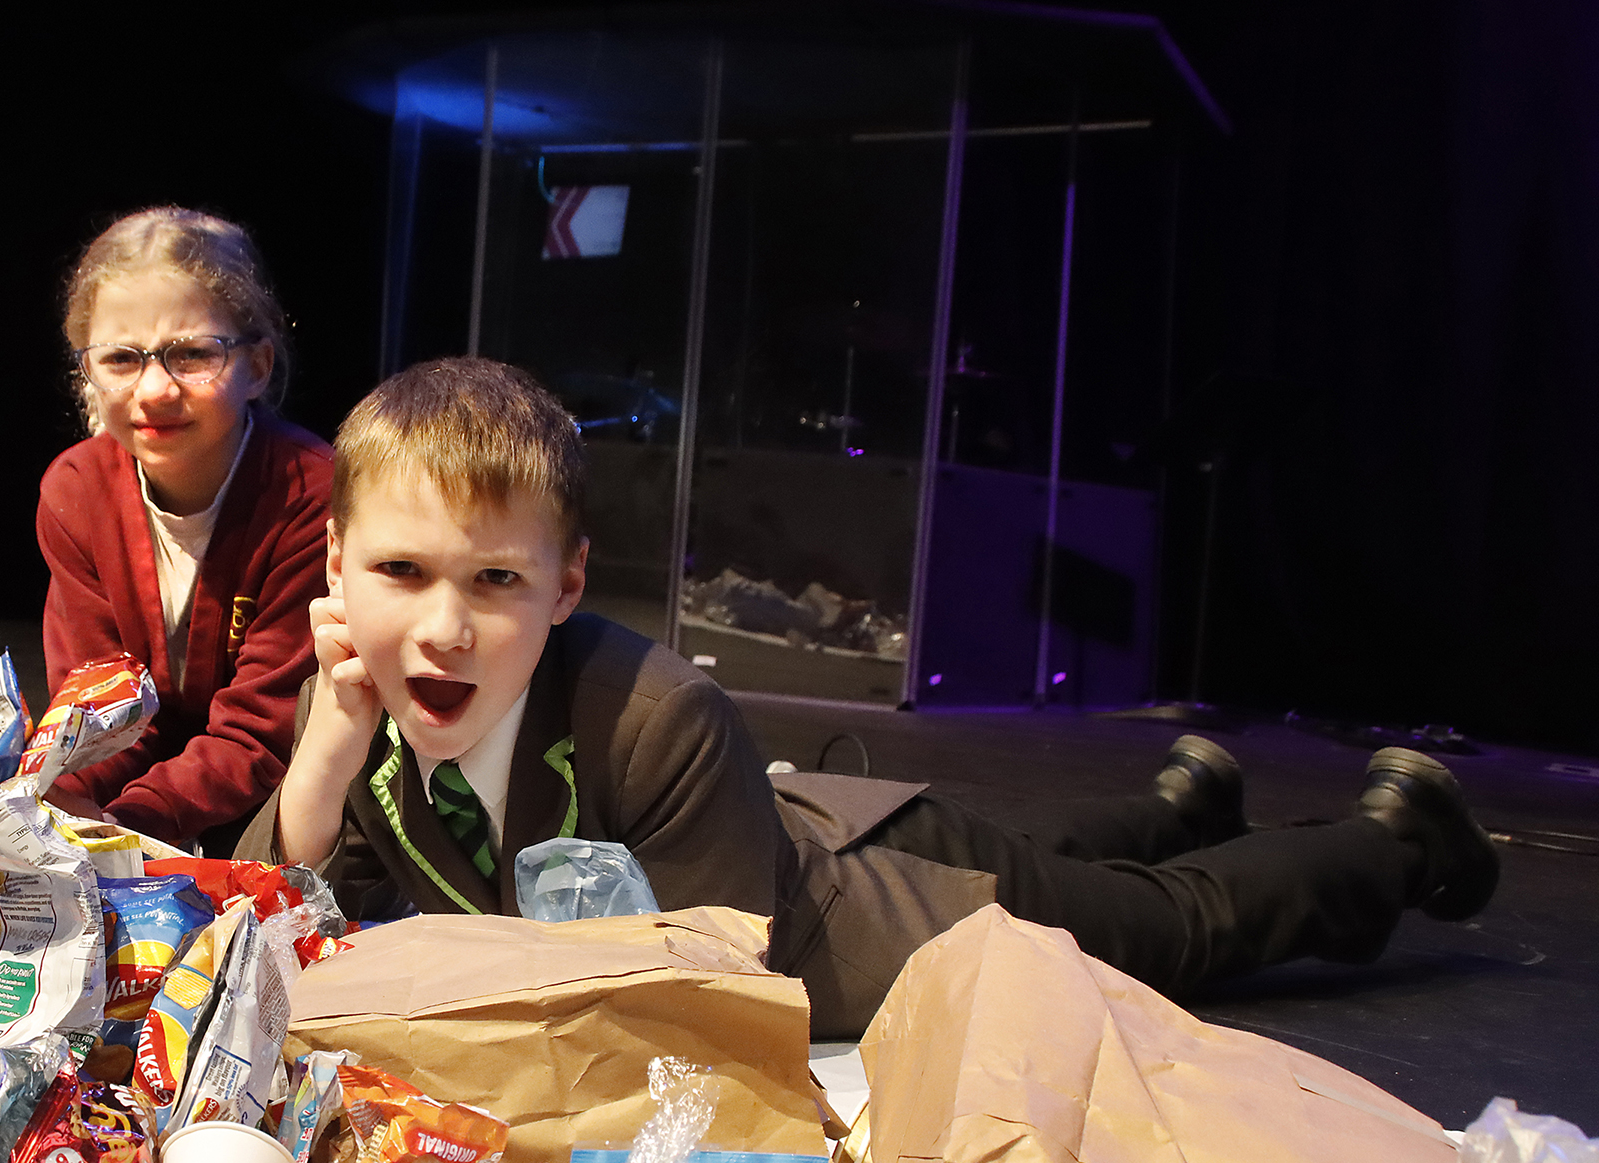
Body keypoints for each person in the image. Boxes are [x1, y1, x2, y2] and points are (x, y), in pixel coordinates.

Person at [239, 357, 1502, 1037]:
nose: (444, 628)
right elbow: (272, 915)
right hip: (805, 818)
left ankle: (1395, 842)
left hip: (874, 910)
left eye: (496, 580)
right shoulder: (352, 696)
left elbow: (714, 984)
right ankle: (1182, 798)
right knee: (1053, 854)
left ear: (567, 585)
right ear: (338, 567)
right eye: (400, 571)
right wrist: (327, 755)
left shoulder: (655, 711)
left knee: (1164, 933)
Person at [37, 207, 334, 851]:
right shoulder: (76, 491)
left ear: (257, 366)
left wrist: (136, 819)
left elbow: (265, 730)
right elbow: (100, 701)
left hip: (278, 809)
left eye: (192, 354)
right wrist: (60, 791)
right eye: (120, 359)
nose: (153, 390)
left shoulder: (311, 496)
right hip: (138, 810)